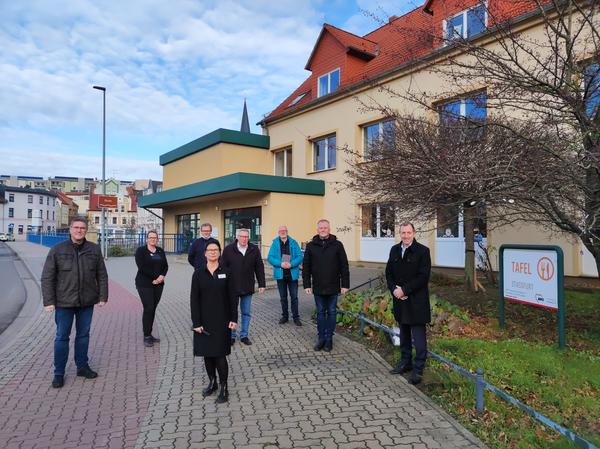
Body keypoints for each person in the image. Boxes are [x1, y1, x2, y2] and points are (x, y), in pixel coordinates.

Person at [41, 216, 108, 389]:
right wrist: (49, 301)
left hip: (86, 301)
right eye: (76, 227)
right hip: (64, 302)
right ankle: (59, 373)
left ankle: (82, 367)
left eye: (82, 228)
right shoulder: (57, 250)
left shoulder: (94, 249)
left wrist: (103, 296)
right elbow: (47, 277)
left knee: (83, 335)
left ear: (86, 231)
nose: (79, 230)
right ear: (70, 229)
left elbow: (102, 275)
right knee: (62, 337)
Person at [190, 241, 237, 404]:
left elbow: (233, 297)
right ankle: (212, 382)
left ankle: (224, 387)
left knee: (220, 355)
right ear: (205, 253)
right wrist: (196, 322)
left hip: (222, 320)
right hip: (203, 321)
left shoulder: (227, 272)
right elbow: (194, 300)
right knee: (207, 354)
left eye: (215, 250)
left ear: (219, 252)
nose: (212, 252)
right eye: (209, 250)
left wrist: (233, 318)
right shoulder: (198, 273)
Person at [385, 222, 432, 385]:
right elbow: (388, 273)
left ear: (414, 233)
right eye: (403, 232)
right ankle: (405, 363)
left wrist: (404, 290)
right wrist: (395, 290)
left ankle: (418, 370)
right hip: (400, 300)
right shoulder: (394, 250)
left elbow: (423, 276)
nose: (405, 235)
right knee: (404, 334)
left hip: (416, 301)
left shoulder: (423, 251)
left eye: (408, 232)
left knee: (418, 339)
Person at [302, 219, 349, 352]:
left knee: (332, 312)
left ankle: (329, 339)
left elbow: (344, 266)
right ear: (317, 230)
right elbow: (306, 267)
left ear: (329, 229)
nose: (323, 230)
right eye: (321, 228)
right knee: (321, 313)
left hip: (333, 285)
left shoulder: (337, 245)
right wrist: (307, 284)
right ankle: (321, 338)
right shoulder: (311, 246)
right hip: (318, 286)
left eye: (325, 228)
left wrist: (345, 284)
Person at [221, 229, 266, 346]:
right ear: (237, 237)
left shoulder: (254, 249)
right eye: (242, 236)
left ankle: (244, 335)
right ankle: (231, 335)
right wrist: (222, 283)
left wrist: (262, 284)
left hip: (247, 286)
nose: (244, 239)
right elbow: (222, 267)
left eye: (246, 237)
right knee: (232, 312)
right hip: (232, 287)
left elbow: (259, 267)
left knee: (246, 312)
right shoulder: (229, 249)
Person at [135, 230, 169, 347]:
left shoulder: (160, 251)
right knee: (148, 307)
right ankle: (147, 336)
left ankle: (149, 333)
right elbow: (142, 267)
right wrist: (155, 277)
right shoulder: (141, 251)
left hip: (159, 284)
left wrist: (161, 276)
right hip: (144, 284)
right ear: (147, 239)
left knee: (153, 308)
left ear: (157, 239)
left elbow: (165, 266)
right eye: (151, 237)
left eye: (155, 237)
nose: (153, 239)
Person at [267, 225, 303, 326]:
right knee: (283, 297)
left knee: (294, 297)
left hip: (292, 274)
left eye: (284, 230)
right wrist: (280, 264)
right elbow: (270, 257)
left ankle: (296, 317)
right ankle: (285, 316)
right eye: (281, 231)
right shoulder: (275, 243)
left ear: (287, 231)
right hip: (281, 274)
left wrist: (291, 264)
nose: (283, 232)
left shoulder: (293, 242)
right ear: (278, 232)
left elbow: (299, 256)